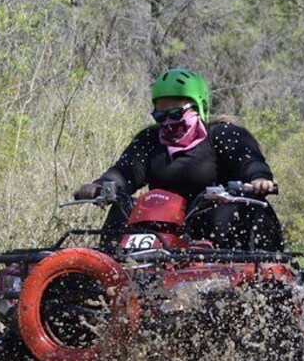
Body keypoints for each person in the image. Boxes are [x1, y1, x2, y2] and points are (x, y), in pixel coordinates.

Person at [74, 68, 282, 251]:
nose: (168, 122)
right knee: (123, 208)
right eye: (160, 116)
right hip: (164, 227)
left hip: (215, 227)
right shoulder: (150, 140)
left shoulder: (224, 134)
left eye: (175, 113)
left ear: (199, 107)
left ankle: (233, 279)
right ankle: (111, 273)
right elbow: (125, 171)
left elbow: (249, 161)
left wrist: (259, 179)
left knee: (226, 212)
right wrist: (100, 186)